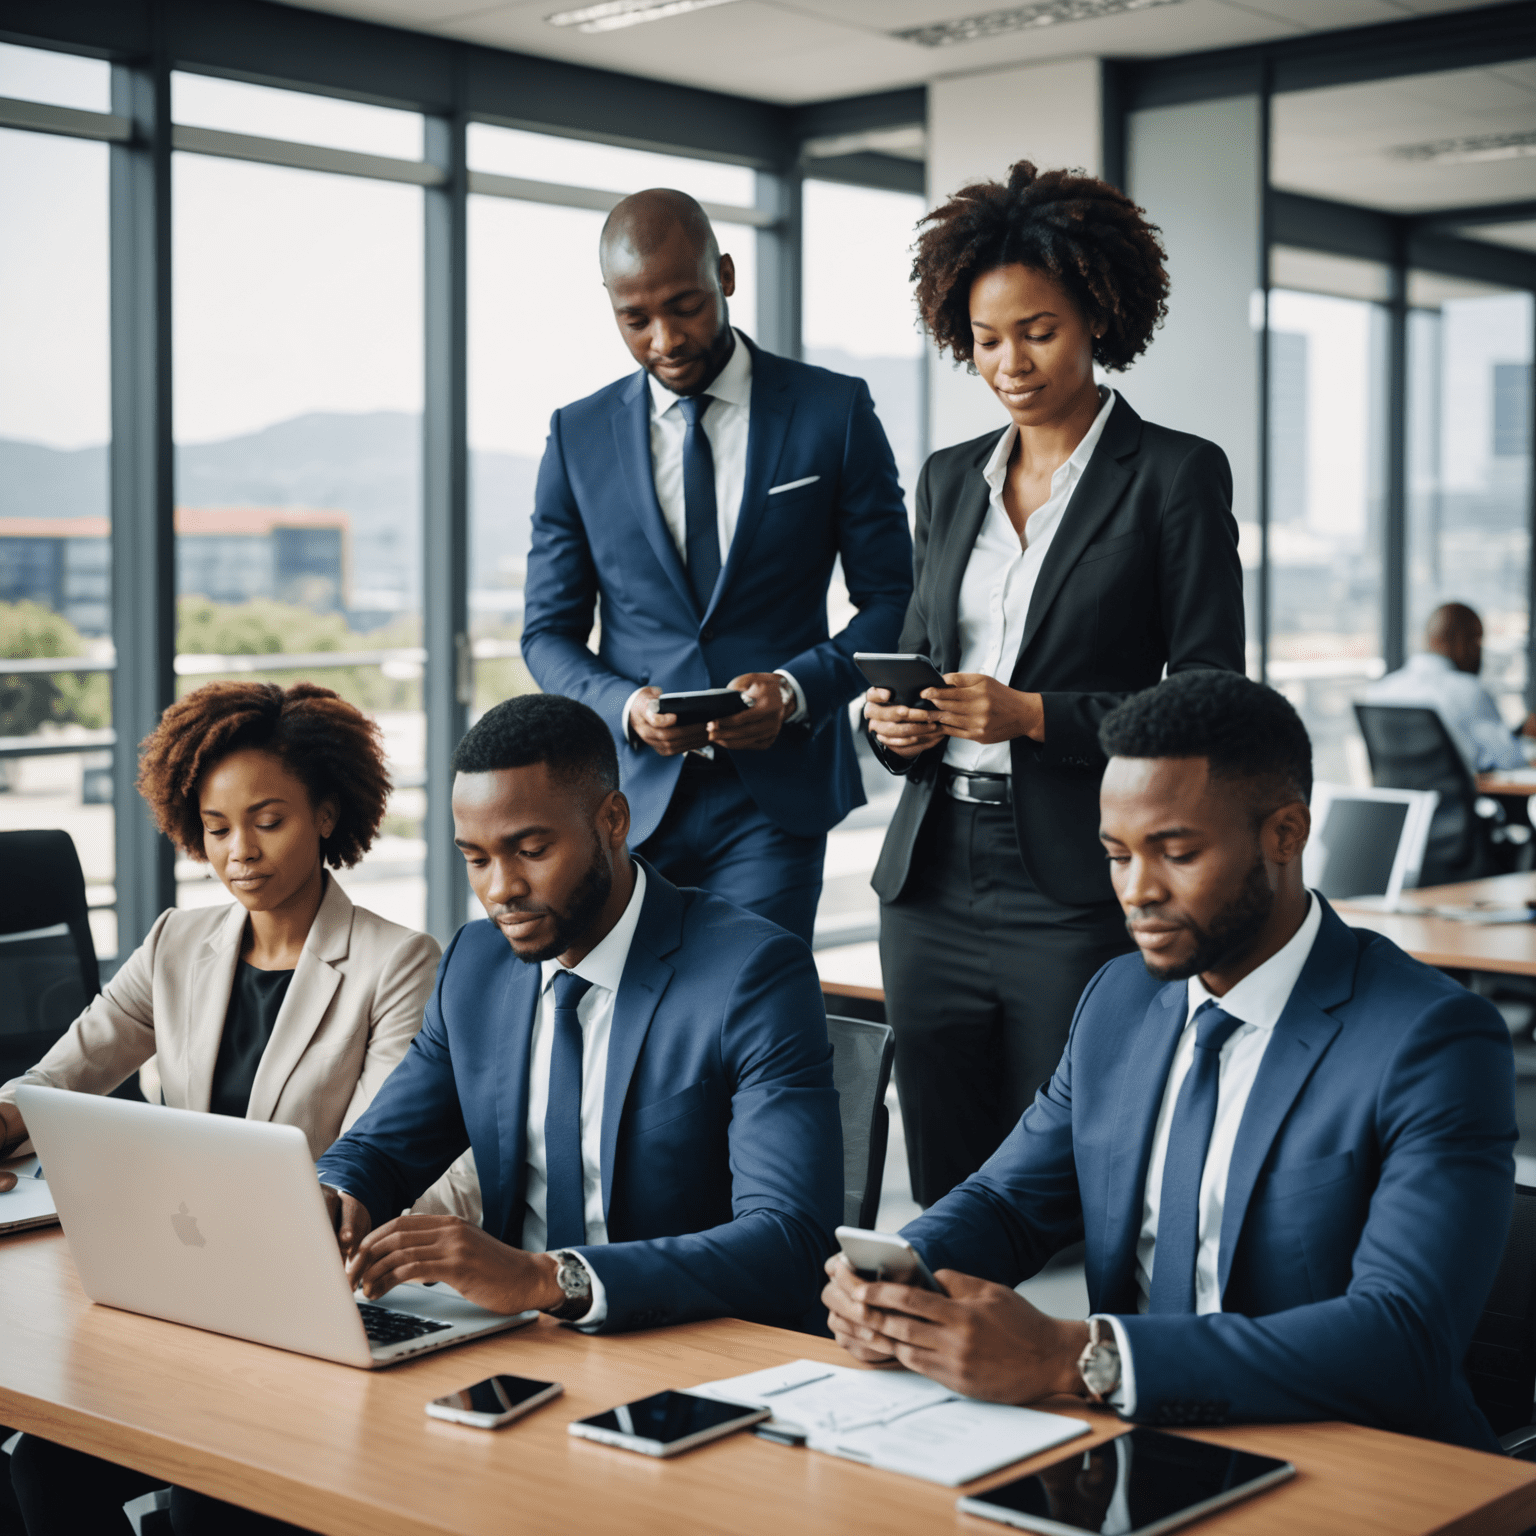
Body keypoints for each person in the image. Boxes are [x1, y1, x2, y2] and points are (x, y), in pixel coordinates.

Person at [825, 670, 1515, 1452]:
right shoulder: (1118, 1001)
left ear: (1285, 835)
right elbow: (1009, 1203)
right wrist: (901, 1276)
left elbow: (1404, 1341)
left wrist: (1076, 1358)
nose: (1137, 891)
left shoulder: (1433, 1040)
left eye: (1176, 852)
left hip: (1355, 1458)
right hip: (1131, 1449)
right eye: (1117, 855)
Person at [865, 160, 1246, 1208]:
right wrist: (891, 721)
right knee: (944, 1169)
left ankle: (1082, 1364)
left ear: (1097, 318)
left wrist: (1035, 717)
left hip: (1076, 874)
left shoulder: (1173, 473)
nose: (1011, 362)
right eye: (988, 339)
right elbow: (914, 643)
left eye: (1038, 330)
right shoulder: (948, 479)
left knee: (1070, 1166)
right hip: (933, 871)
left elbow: (1213, 698)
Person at [5, 681, 452, 1535]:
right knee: (45, 1468)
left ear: (326, 814)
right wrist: (4, 1115)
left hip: (301, 1299)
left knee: (215, 1497)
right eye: (216, 829)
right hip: (173, 1284)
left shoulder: (397, 963)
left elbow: (380, 1151)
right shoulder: (180, 942)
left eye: (267, 820)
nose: (238, 851)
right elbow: (64, 1073)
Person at [315, 692, 842, 1334]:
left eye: (531, 851)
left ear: (614, 820)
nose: (500, 889)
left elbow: (789, 1238)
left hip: (689, 1341)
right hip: (517, 1342)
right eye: (476, 859)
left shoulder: (753, 974)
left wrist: (549, 1279)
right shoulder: (475, 965)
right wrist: (333, 1197)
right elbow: (384, 1150)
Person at [519, 188, 913, 946]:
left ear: (726, 275)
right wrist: (625, 708)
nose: (665, 338)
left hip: (776, 795)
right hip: (626, 798)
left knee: (751, 1013)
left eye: (686, 306)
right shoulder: (577, 436)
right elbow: (546, 634)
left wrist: (798, 690)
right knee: (638, 1020)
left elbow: (895, 600)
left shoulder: (833, 412)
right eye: (635, 319)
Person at [1366, 601, 1534, 772]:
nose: (1479, 653)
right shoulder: (1469, 691)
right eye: (1477, 642)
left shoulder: (1378, 692)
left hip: (1405, 799)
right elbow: (1511, 761)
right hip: (1453, 798)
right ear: (1465, 643)